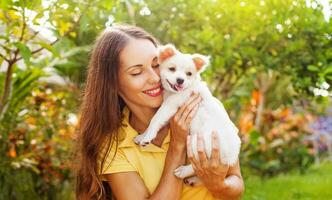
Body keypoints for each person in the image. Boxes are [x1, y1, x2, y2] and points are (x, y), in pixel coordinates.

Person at [75, 24, 244, 200]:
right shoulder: (114, 145)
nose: (155, 78)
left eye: (156, 65)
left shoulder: (205, 107)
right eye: (137, 72)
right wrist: (177, 145)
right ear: (112, 83)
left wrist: (218, 184)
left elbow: (236, 185)